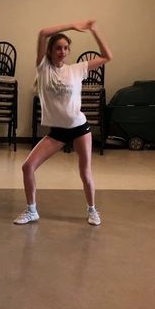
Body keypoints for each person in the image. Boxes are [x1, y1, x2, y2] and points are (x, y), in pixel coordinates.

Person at [14, 20, 113, 226]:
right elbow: (42, 32)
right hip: (58, 131)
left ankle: (92, 210)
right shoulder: (43, 68)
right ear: (50, 51)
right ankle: (31, 210)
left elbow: (107, 56)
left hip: (79, 128)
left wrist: (94, 30)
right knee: (27, 167)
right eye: (58, 48)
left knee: (85, 173)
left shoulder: (77, 69)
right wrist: (71, 25)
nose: (62, 51)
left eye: (66, 48)